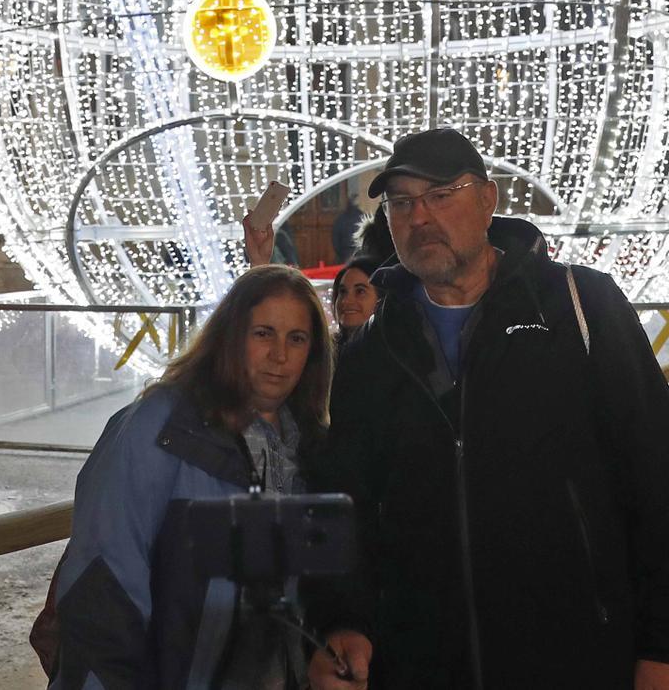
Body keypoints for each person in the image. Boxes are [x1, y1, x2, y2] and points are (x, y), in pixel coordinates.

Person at [307, 125, 669, 690]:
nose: (420, 217)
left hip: (578, 656)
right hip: (423, 663)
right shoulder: (371, 351)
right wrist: (343, 620)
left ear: (487, 198)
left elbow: (655, 477)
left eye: (441, 195)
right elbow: (345, 504)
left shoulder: (583, 309)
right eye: (402, 203)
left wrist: (660, 646)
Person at [48, 264, 332, 690]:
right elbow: (102, 589)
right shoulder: (159, 427)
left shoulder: (308, 445)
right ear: (230, 338)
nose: (280, 355)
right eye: (262, 334)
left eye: (297, 338)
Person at [330, 257, 380, 349]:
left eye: (360, 291)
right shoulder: (325, 351)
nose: (345, 301)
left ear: (381, 299)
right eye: (342, 291)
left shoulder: (395, 354)